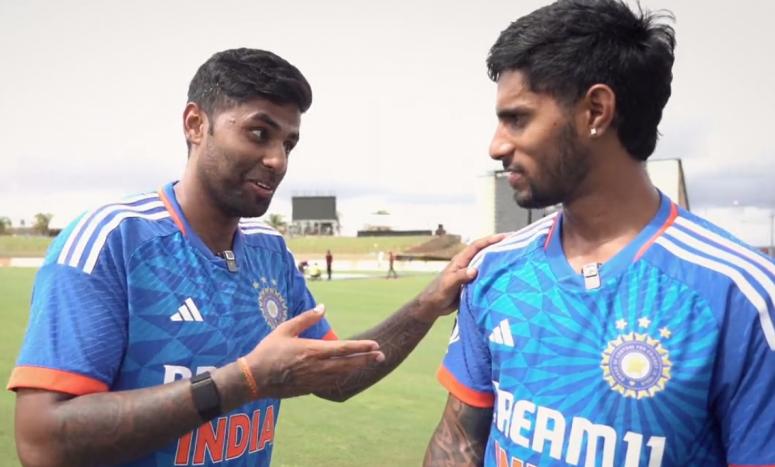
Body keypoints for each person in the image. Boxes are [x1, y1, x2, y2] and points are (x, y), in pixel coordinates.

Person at [8, 48, 505, 467]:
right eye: (258, 133)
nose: (277, 160)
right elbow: (41, 441)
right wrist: (245, 380)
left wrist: (426, 304)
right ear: (195, 124)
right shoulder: (113, 240)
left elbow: (338, 377)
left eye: (289, 143)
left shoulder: (270, 251)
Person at [423, 1, 775, 467]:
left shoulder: (747, 297)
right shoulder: (495, 268)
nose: (497, 145)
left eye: (517, 118)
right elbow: (458, 443)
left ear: (596, 111)